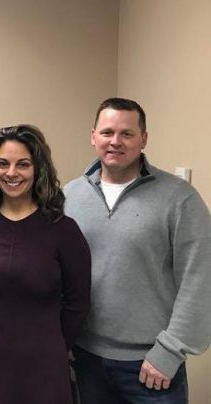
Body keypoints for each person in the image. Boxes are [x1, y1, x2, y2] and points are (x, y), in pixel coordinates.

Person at [64, 98, 211, 403]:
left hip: (151, 366)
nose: (115, 141)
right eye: (107, 133)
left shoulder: (179, 199)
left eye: (126, 134)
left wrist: (170, 351)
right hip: (86, 358)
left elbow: (200, 279)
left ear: (144, 138)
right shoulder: (69, 196)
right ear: (93, 136)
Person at [0, 125, 91, 404]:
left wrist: (54, 346)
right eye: (3, 164)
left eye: (23, 164)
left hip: (43, 361)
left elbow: (78, 304)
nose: (11, 173)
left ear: (38, 169)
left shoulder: (63, 230)